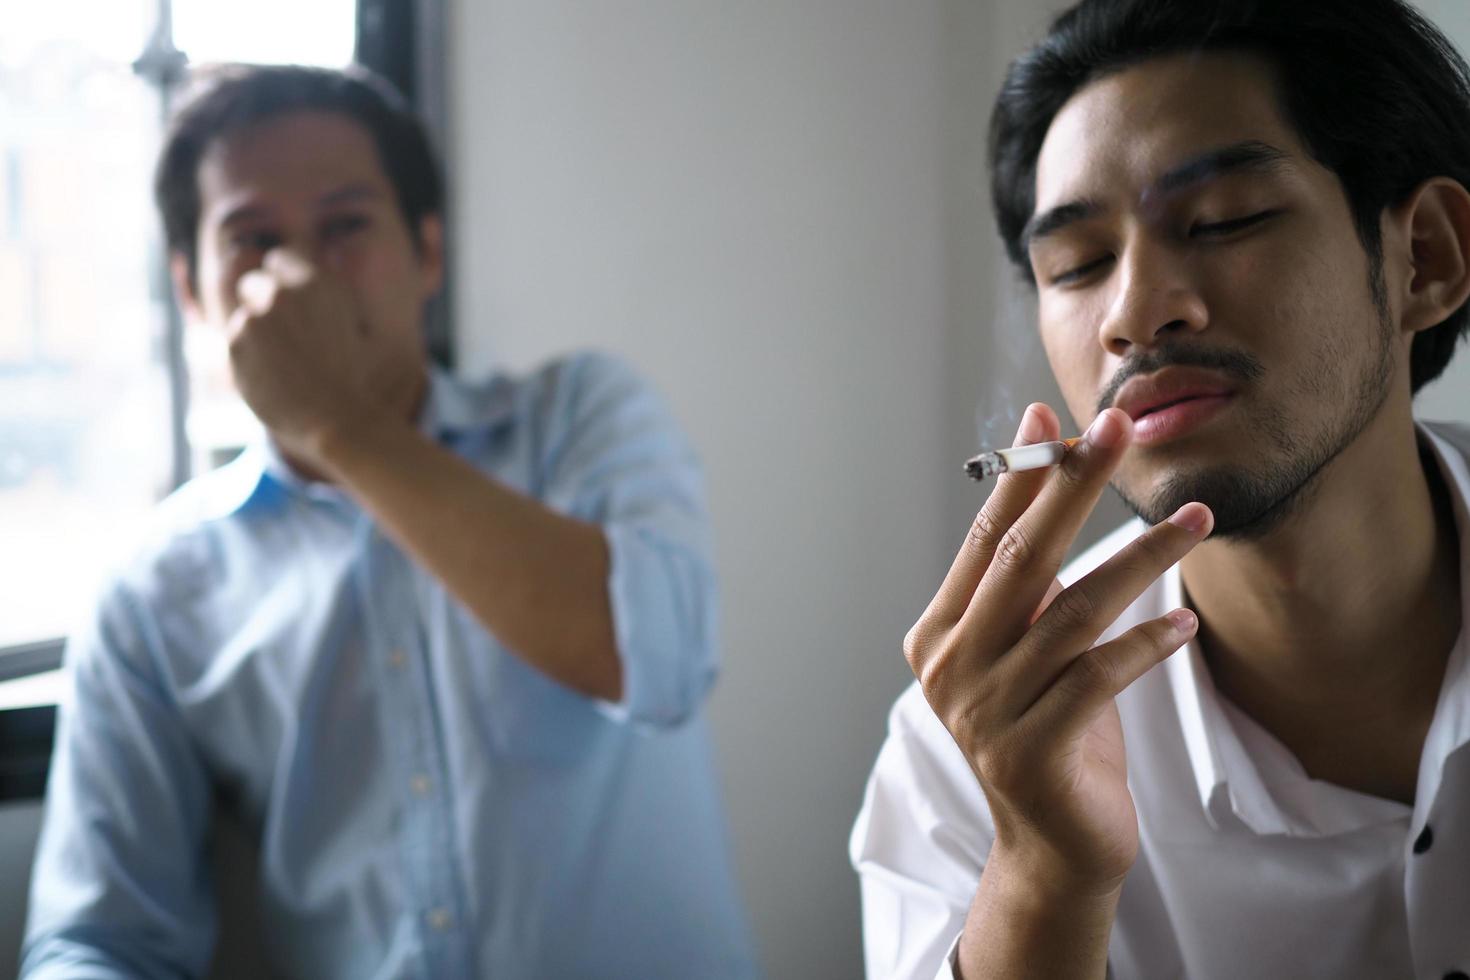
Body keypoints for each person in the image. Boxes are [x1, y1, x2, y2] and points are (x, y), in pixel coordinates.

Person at [23, 63, 757, 979]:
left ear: (429, 253)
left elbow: (660, 660)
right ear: (191, 292)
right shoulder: (153, 592)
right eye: (252, 241)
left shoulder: (581, 415)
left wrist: (339, 424)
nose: (297, 278)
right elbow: (99, 939)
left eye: (344, 228)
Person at [850, 1, 1470, 977]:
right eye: (1080, 263)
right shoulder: (964, 754)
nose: (1136, 313)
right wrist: (1047, 870)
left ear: (1425, 255)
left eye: (1222, 220)